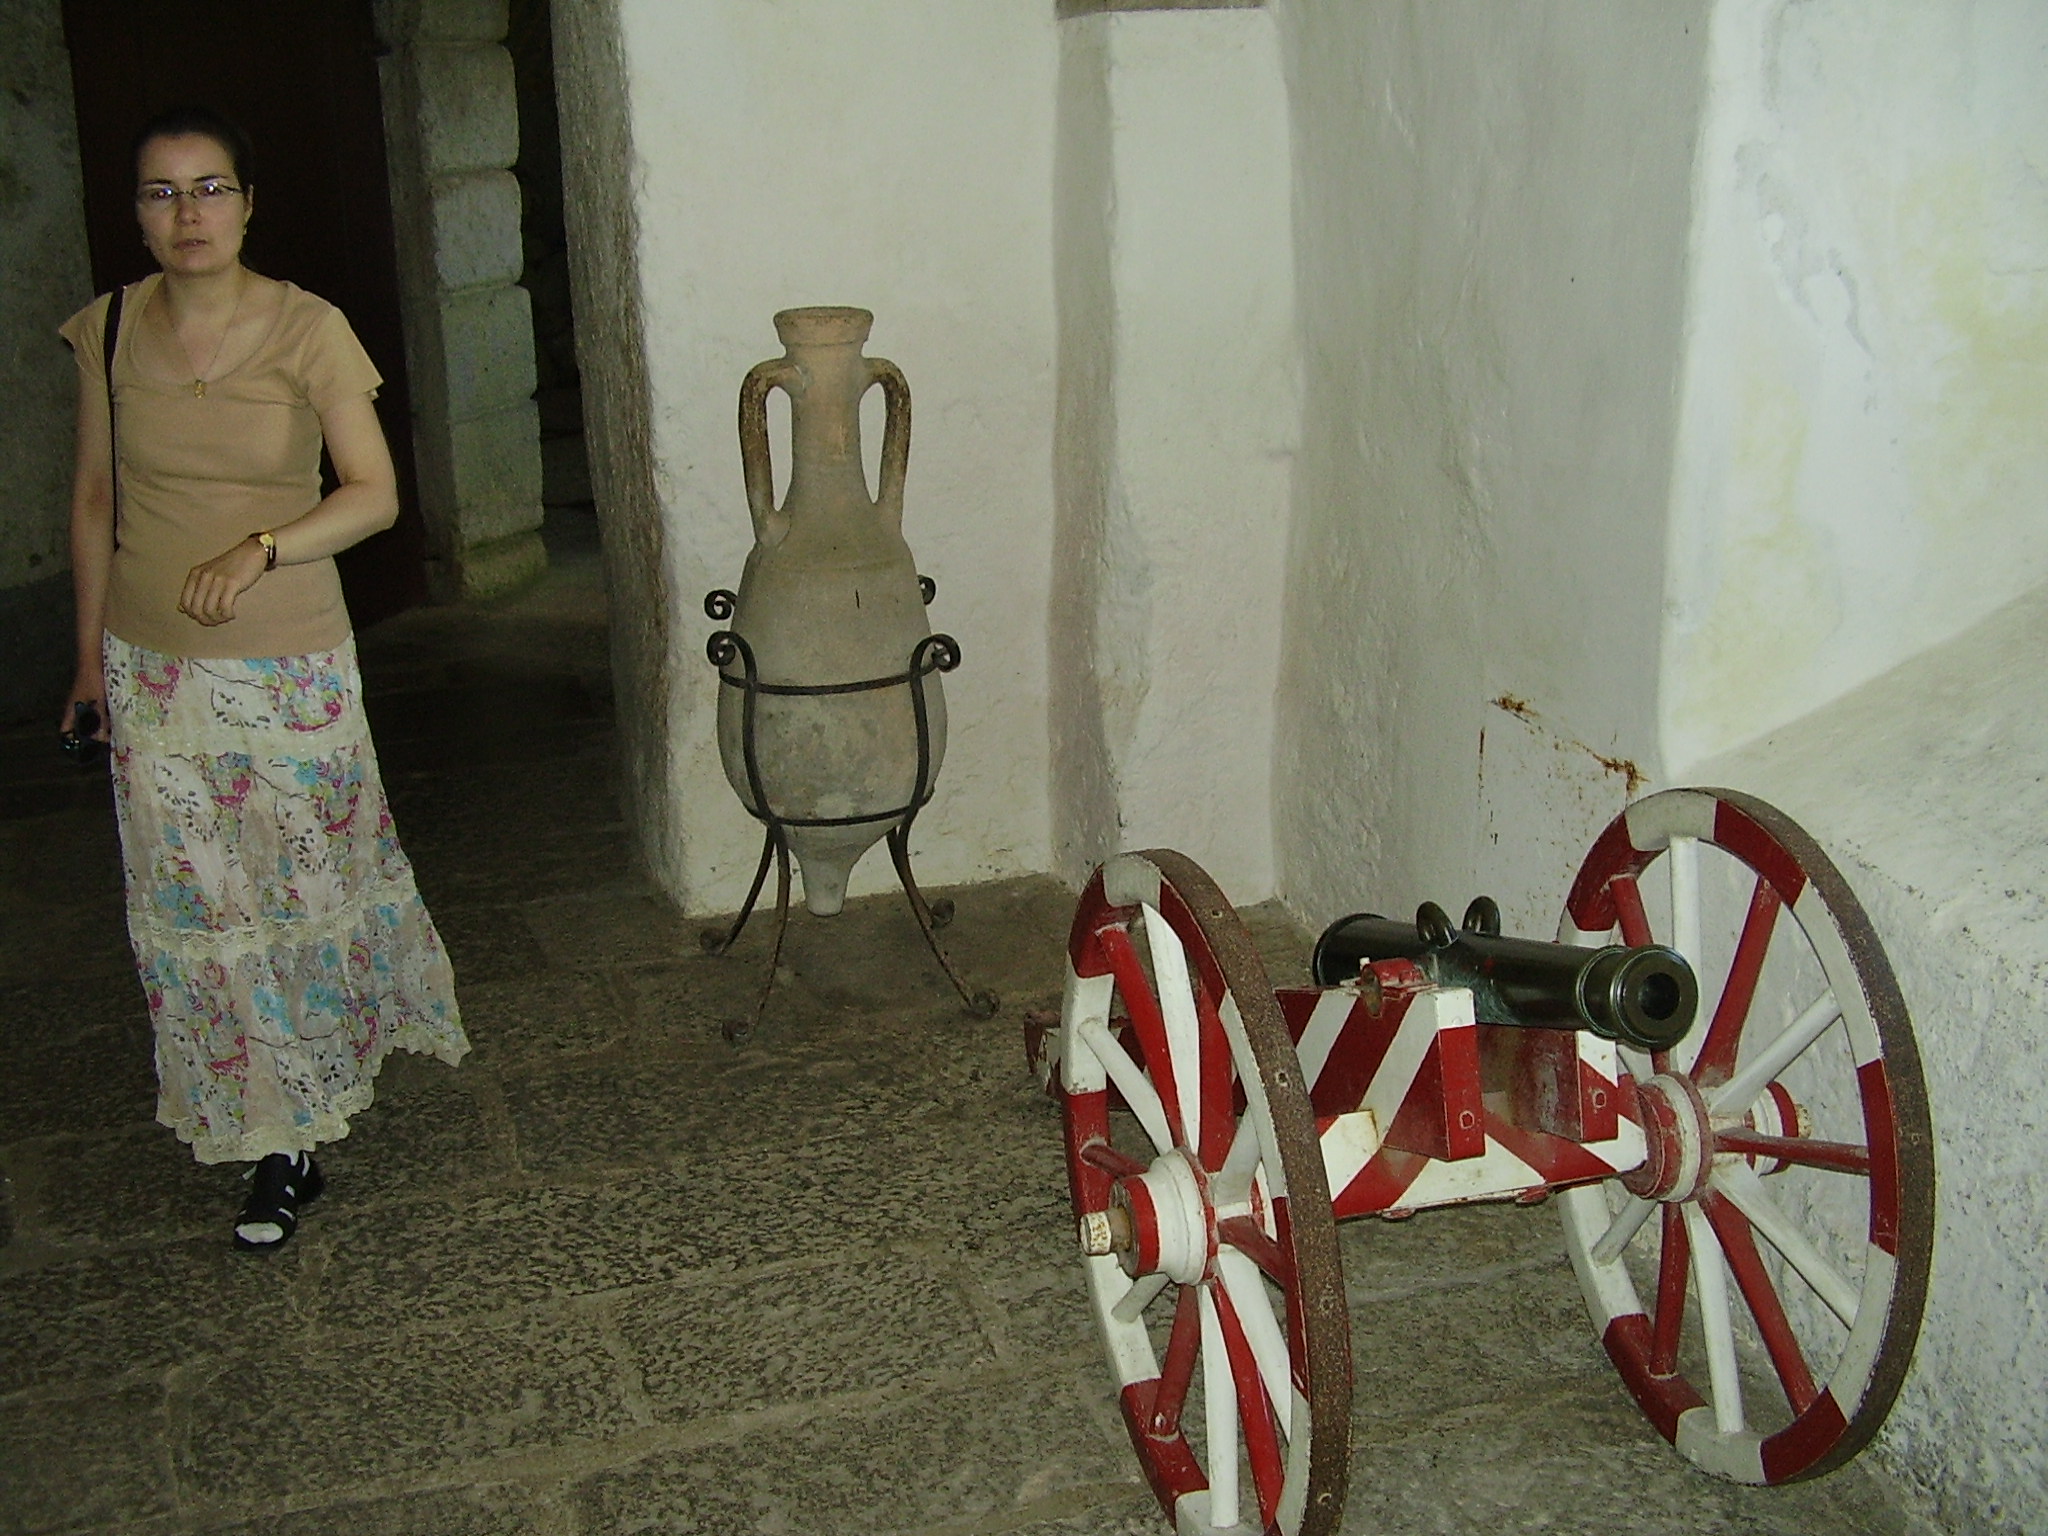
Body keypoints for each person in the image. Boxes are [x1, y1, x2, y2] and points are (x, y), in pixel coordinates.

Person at [58, 105, 466, 1251]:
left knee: (298, 886)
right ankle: (275, 1134)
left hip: (288, 666)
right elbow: (93, 498)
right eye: (162, 192)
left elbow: (373, 493)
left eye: (210, 188)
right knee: (201, 904)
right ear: (137, 214)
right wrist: (88, 662)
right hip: (152, 668)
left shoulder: (308, 327)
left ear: (247, 204)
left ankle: (318, 1076)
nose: (187, 213)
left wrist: (263, 547)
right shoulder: (107, 329)